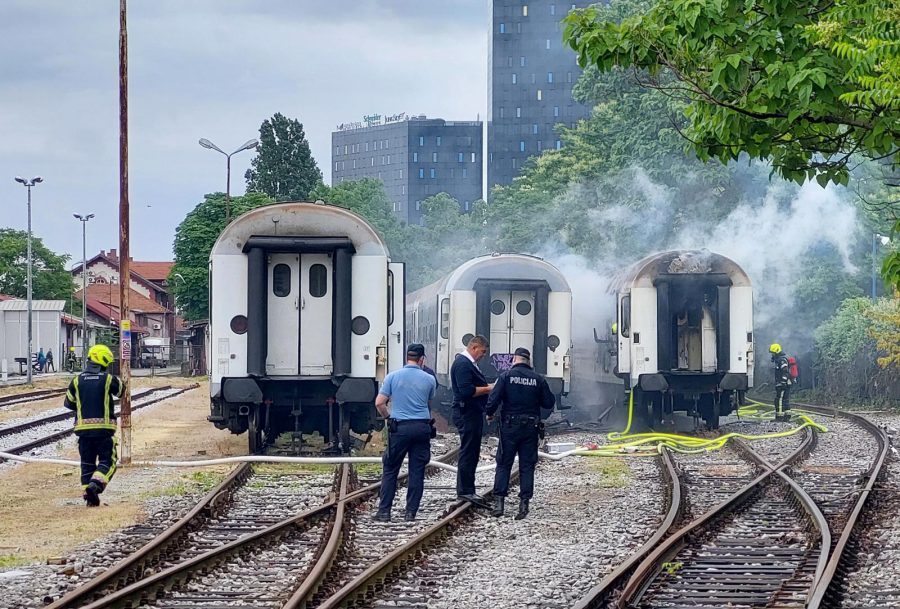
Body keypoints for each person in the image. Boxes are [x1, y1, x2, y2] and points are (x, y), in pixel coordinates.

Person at [485, 347, 556, 519]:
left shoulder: (506, 377)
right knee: (527, 465)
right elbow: (549, 403)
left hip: (509, 426)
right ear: (528, 361)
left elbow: (493, 399)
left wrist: (489, 413)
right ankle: (524, 505)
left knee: (503, 463)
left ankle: (499, 504)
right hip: (530, 427)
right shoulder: (538, 379)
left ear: (514, 360)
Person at [374, 343, 437, 522]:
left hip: (400, 428)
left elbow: (379, 403)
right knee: (417, 471)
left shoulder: (392, 377)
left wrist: (389, 417)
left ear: (406, 358)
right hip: (421, 428)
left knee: (391, 469)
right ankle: (410, 513)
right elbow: (428, 401)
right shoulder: (429, 379)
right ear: (422, 359)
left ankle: (384, 512)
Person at [63, 344, 125, 507]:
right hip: (104, 432)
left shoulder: (76, 381)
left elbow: (69, 403)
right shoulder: (108, 379)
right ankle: (95, 486)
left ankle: (89, 498)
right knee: (108, 461)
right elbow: (121, 391)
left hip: (83, 433)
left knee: (87, 464)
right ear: (103, 361)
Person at [450, 335, 494, 506]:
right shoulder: (463, 365)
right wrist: (489, 388)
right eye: (482, 352)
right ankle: (465, 490)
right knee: (468, 451)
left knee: (472, 451)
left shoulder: (468, 364)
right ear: (474, 347)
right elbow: (466, 391)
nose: (483, 355)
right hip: (466, 412)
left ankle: (468, 488)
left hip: (471, 412)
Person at [770, 343, 792, 421]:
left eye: (772, 353)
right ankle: (787, 416)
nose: (772, 355)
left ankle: (779, 417)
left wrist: (782, 382)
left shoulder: (782, 360)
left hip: (783, 383)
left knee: (779, 400)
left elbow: (785, 372)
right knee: (785, 400)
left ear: (776, 352)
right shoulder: (779, 360)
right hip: (785, 383)